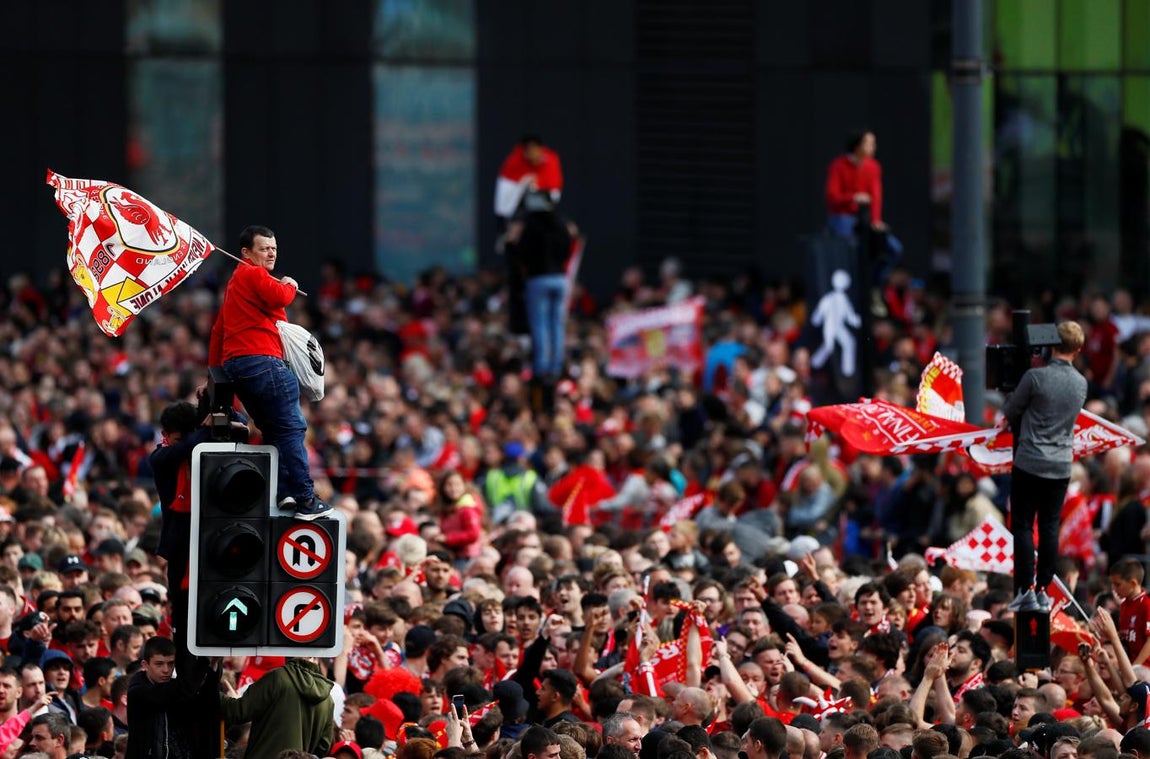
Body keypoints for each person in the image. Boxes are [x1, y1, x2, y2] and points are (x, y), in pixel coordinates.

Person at [207, 224, 331, 521]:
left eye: (274, 248)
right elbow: (281, 297)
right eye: (264, 248)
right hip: (264, 363)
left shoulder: (235, 287)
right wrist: (289, 283)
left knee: (274, 430)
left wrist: (212, 375)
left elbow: (218, 332)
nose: (271, 252)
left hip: (238, 368)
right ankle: (305, 500)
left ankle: (284, 491)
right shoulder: (252, 272)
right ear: (246, 254)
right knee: (292, 429)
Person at [1002, 321, 1087, 612]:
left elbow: (1011, 410)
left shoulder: (1035, 377)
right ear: (1078, 350)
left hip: (1029, 461)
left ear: (1051, 343)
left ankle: (1025, 589)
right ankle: (1043, 589)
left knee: (1023, 525)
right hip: (1061, 465)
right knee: (1050, 527)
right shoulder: (1081, 383)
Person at [217, 656, 335, 759]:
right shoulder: (327, 699)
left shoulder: (277, 678)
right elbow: (323, 748)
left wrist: (209, 689)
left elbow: (237, 711)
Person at [825, 130, 884, 238]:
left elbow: (876, 196)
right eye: (869, 144)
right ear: (858, 146)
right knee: (850, 242)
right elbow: (832, 196)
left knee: (892, 247)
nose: (873, 147)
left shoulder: (874, 167)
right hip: (842, 216)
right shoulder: (838, 166)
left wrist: (875, 220)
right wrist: (853, 198)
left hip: (864, 218)